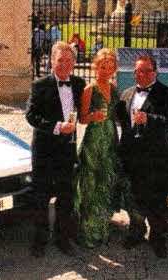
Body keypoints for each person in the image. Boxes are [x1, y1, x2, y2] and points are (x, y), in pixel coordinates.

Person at [116, 55, 168, 258]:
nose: (141, 75)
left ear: (155, 72)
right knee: (133, 198)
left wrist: (149, 118)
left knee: (155, 200)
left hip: (155, 157)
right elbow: (121, 121)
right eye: (138, 71)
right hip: (131, 156)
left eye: (146, 71)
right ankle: (136, 231)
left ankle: (158, 238)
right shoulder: (126, 93)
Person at [26, 42, 86, 258]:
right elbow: (31, 116)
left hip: (67, 150)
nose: (64, 65)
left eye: (69, 61)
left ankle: (63, 238)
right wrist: (57, 127)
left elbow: (86, 110)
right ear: (52, 61)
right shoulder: (39, 85)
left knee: (65, 196)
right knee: (41, 196)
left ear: (74, 63)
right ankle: (40, 240)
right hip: (44, 149)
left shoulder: (80, 83)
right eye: (60, 60)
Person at [74, 48, 122, 248]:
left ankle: (102, 222)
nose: (106, 71)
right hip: (94, 139)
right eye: (103, 67)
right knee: (91, 182)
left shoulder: (113, 86)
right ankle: (89, 229)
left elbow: (117, 114)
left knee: (107, 180)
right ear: (95, 67)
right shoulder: (89, 89)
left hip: (110, 137)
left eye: (110, 67)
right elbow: (82, 118)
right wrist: (92, 116)